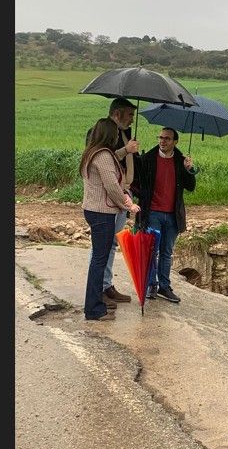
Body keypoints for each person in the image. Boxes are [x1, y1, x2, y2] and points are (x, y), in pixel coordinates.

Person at [79, 118, 140, 321]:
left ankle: (94, 304)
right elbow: (112, 186)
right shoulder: (103, 155)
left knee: (99, 258)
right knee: (99, 259)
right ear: (109, 134)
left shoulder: (93, 152)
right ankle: (94, 309)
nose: (117, 137)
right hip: (102, 213)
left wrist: (126, 151)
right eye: (115, 133)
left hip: (94, 210)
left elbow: (113, 166)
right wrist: (128, 205)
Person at [132, 125, 197, 303]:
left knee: (167, 252)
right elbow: (136, 183)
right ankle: (151, 285)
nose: (162, 141)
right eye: (160, 137)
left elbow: (190, 187)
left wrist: (189, 169)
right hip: (152, 213)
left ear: (175, 142)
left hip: (172, 215)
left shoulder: (180, 161)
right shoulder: (148, 159)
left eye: (167, 138)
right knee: (152, 251)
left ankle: (164, 287)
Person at [99, 98, 142, 305]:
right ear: (117, 114)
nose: (132, 119)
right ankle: (100, 288)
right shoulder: (102, 133)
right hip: (111, 196)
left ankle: (107, 285)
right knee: (103, 244)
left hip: (126, 190)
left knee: (113, 243)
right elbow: (102, 159)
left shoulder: (124, 133)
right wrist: (127, 150)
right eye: (129, 115)